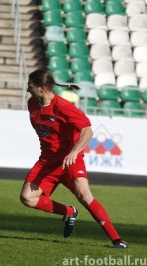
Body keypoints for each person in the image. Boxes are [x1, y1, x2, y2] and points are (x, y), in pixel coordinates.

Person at [20, 69, 128, 249]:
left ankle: (117, 239)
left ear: (42, 88)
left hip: (69, 160)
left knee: (85, 196)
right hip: (47, 161)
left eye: (30, 86)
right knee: (27, 197)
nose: (27, 89)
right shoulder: (32, 103)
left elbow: (87, 130)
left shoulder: (63, 106)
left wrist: (74, 152)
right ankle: (69, 212)